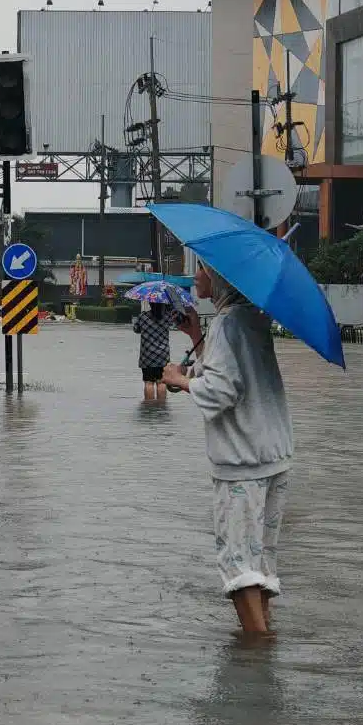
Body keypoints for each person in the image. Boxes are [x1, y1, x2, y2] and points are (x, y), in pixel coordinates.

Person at [162, 261, 293, 638]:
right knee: (261, 559)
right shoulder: (251, 319)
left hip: (242, 460)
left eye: (200, 270)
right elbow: (236, 376)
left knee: (238, 563)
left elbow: (222, 392)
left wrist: (179, 381)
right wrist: (197, 339)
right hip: (274, 455)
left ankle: (256, 656)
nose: (195, 277)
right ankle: (264, 634)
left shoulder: (227, 325)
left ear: (220, 276)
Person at [133, 299, 179, 402]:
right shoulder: (167, 317)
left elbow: (136, 329)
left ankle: (149, 408)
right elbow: (175, 324)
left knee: (149, 382)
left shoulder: (143, 316)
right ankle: (161, 408)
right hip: (163, 356)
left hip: (147, 356)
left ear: (150, 304)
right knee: (161, 382)